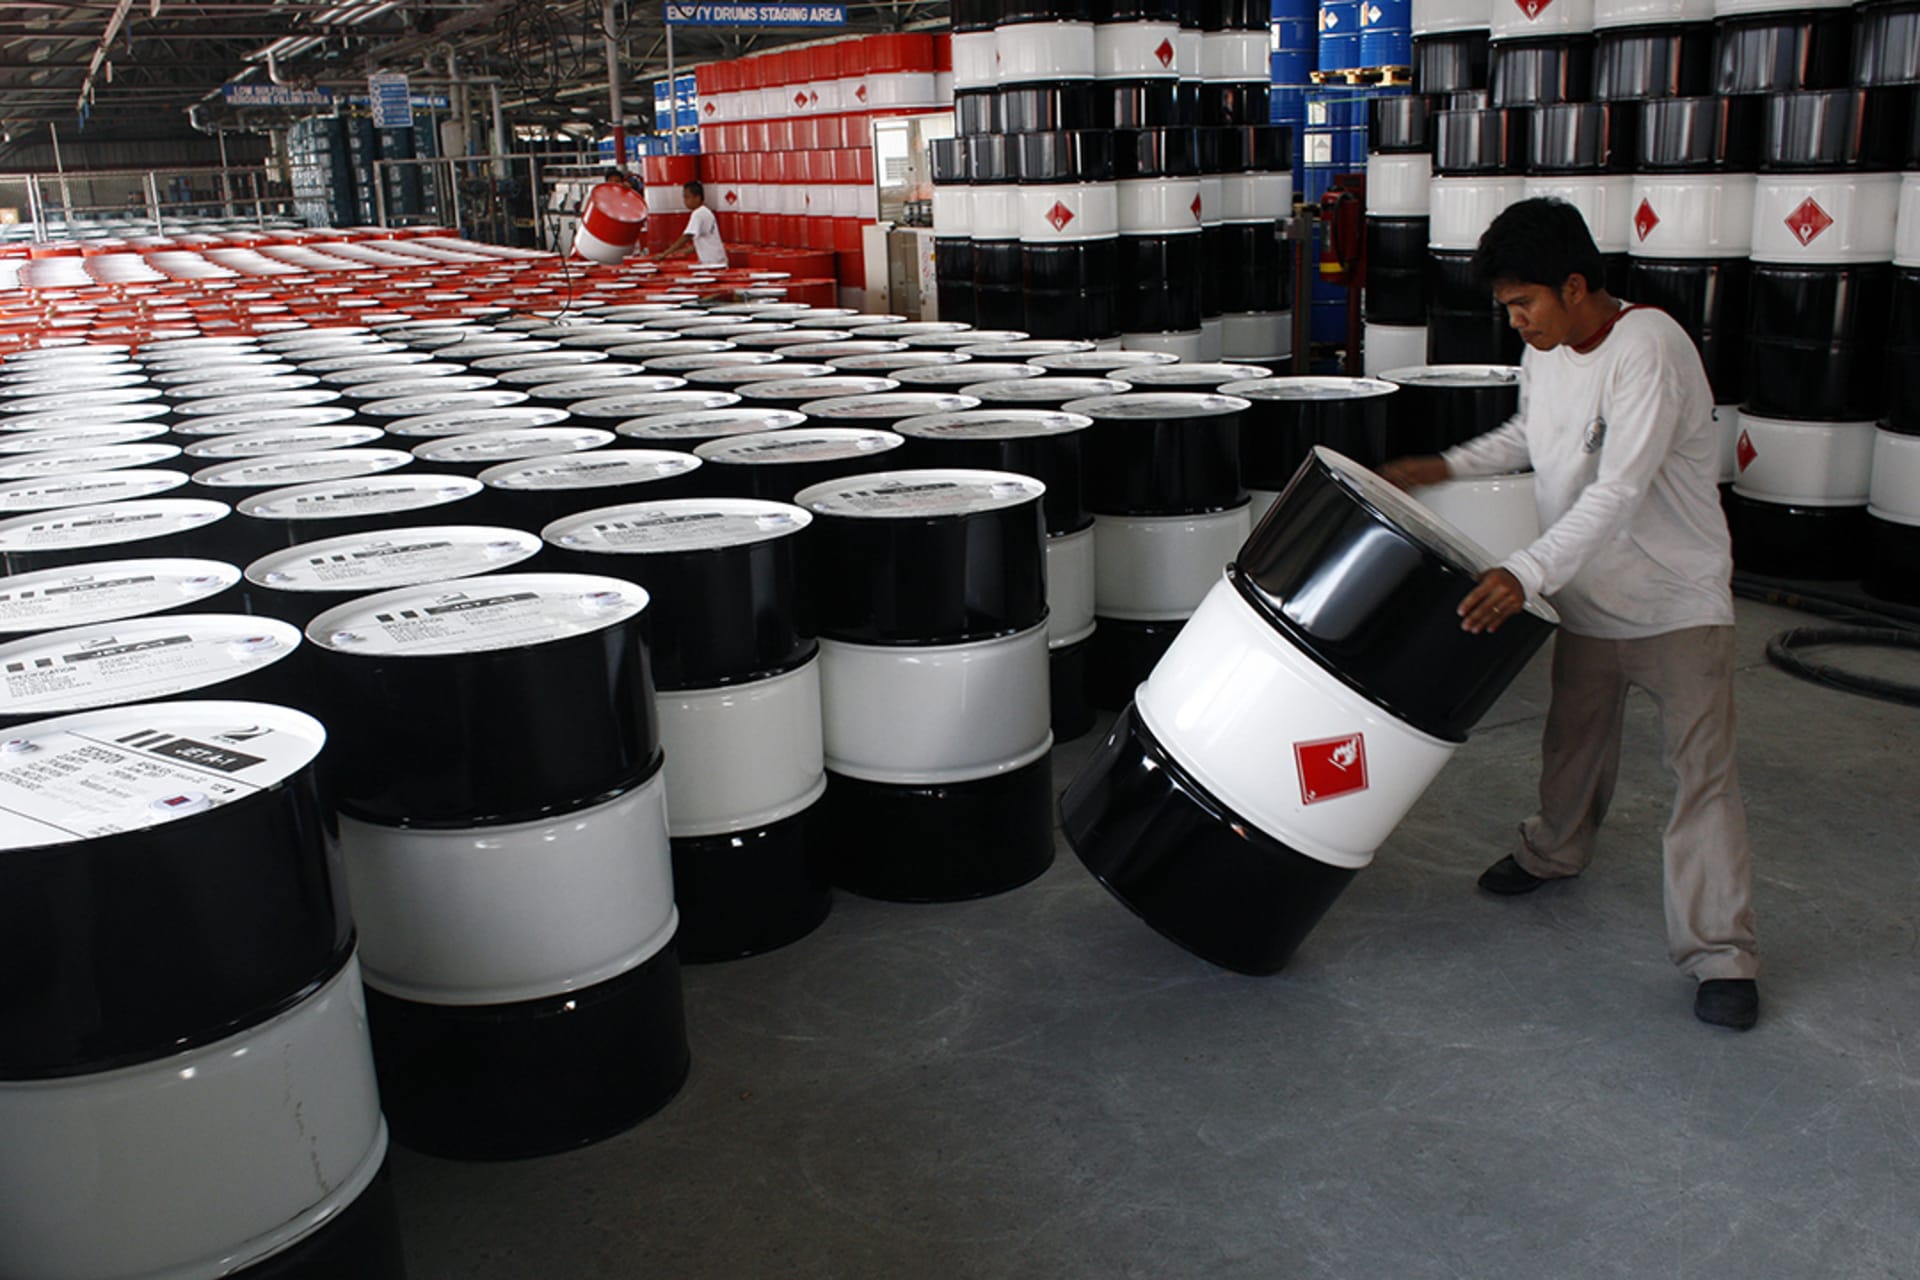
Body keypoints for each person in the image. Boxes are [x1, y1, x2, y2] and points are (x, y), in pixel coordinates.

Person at [1379, 197, 1761, 1031]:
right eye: (1508, 308)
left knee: (1700, 777)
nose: (1517, 323)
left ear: (1577, 285)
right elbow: (1532, 435)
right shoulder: (1548, 352)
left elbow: (1618, 488)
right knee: (1572, 745)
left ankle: (1720, 954)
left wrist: (1522, 571)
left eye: (1526, 305)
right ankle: (1553, 852)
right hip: (1589, 593)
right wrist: (1442, 465)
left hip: (1676, 603)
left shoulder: (1648, 350)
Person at [647, 180, 727, 268]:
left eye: (687, 197)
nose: (685, 201)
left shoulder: (698, 214)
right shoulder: (706, 212)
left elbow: (687, 236)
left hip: (711, 263)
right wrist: (684, 251)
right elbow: (705, 240)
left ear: (697, 197)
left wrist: (665, 254)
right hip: (717, 260)